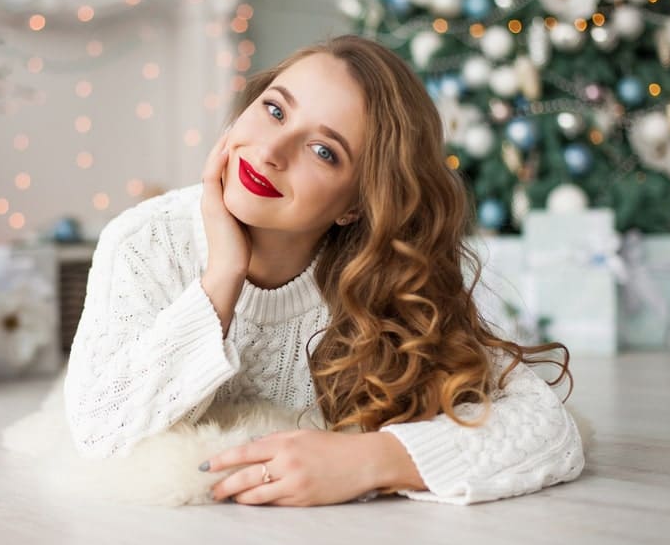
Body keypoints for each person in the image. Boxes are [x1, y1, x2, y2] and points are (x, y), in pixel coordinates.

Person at [63, 34, 585, 507]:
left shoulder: (382, 274)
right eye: (273, 110)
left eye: (323, 151)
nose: (269, 151)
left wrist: (368, 461)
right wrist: (222, 277)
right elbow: (99, 434)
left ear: (355, 206)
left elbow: (548, 428)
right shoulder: (145, 241)